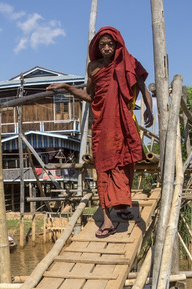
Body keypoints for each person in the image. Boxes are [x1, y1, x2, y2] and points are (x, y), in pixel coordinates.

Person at [47, 26, 153, 237]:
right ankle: (106, 220)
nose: (106, 47)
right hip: (103, 125)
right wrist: (67, 87)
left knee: (124, 165)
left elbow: (143, 87)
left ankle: (122, 207)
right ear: (96, 47)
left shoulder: (129, 62)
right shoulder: (93, 68)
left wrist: (150, 109)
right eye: (102, 44)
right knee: (103, 168)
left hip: (123, 123)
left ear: (117, 45)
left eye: (110, 44)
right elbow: (89, 96)